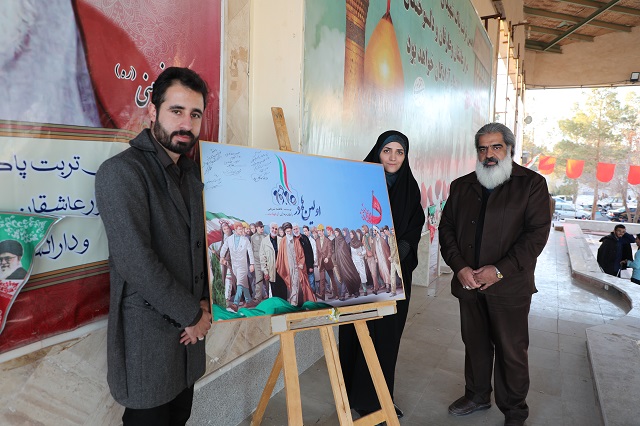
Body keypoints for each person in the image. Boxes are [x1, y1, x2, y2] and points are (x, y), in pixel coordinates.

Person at [95, 67, 212, 425]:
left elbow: (202, 246)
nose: (186, 124)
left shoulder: (192, 174)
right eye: (176, 111)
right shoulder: (122, 172)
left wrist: (206, 304)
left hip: (190, 342)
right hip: (149, 343)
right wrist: (192, 315)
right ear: (152, 111)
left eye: (195, 114)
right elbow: (136, 262)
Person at [438, 123, 551, 426]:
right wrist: (460, 267)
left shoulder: (531, 184)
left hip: (510, 287)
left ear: (509, 149)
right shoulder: (462, 186)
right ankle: (476, 396)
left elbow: (536, 236)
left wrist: (499, 271)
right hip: (469, 283)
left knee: (511, 351)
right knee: (474, 344)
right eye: (483, 148)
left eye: (496, 147)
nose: (489, 154)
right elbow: (446, 229)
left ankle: (514, 411)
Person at [339, 130, 424, 418]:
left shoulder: (410, 188)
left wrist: (402, 248)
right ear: (377, 152)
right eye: (387, 150)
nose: (393, 157)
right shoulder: (360, 183)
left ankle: (381, 400)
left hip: (395, 276)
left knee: (387, 338)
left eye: (399, 152)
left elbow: (415, 224)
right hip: (362, 273)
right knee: (358, 333)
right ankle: (356, 397)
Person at [276, 222, 316, 306]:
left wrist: (301, 263)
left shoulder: (296, 240)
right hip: (288, 267)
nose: (289, 233)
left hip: (297, 267)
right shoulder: (283, 241)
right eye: (287, 232)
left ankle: (293, 303)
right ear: (285, 232)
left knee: (295, 284)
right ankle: (298, 302)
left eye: (290, 231)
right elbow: (280, 256)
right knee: (292, 285)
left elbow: (301, 254)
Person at [220, 221, 255, 309]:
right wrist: (222, 257)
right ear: (235, 229)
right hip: (235, 266)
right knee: (244, 284)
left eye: (242, 229)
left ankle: (235, 304)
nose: (241, 231)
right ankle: (249, 301)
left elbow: (250, 252)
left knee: (240, 283)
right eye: (240, 229)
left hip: (243, 266)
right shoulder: (229, 239)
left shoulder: (245, 240)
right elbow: (224, 248)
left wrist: (252, 264)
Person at [332, 226, 361, 300]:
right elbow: (337, 251)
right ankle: (352, 292)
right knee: (345, 277)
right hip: (340, 262)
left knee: (348, 276)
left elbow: (344, 251)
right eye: (335, 232)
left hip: (346, 262)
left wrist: (341, 257)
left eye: (336, 232)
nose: (335, 234)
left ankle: (344, 295)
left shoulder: (342, 240)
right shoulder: (336, 240)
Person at [260, 222, 286, 300]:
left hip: (281, 270)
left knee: (283, 292)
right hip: (271, 271)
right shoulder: (264, 241)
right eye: (273, 228)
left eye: (276, 229)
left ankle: (284, 306)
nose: (274, 230)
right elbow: (262, 258)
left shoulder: (281, 240)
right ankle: (277, 307)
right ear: (270, 228)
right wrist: (265, 271)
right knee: (275, 293)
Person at [316, 223, 339, 300]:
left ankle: (336, 294)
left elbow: (330, 251)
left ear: (323, 231)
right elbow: (317, 253)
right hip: (321, 263)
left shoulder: (328, 240)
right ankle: (322, 295)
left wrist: (328, 258)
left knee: (332, 278)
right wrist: (318, 264)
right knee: (322, 279)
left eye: (320, 231)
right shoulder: (317, 241)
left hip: (328, 262)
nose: (319, 232)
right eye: (318, 231)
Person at [294, 223, 316, 296]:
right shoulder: (293, 240)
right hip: (300, 268)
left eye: (296, 229)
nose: (296, 230)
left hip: (308, 266)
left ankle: (313, 298)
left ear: (299, 229)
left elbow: (310, 252)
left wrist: (310, 266)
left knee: (311, 284)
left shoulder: (304, 238)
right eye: (294, 229)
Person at [349, 229, 368, 296]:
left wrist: (361, 253)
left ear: (354, 235)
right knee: (356, 276)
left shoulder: (359, 243)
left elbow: (364, 251)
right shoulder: (351, 243)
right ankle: (357, 291)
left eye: (351, 234)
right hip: (354, 262)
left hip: (360, 261)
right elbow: (351, 253)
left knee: (362, 275)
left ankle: (365, 290)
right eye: (350, 234)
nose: (350, 235)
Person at [385, 227, 403, 296]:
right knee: (392, 275)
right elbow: (391, 249)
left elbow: (396, 248)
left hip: (396, 258)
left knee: (400, 274)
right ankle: (393, 292)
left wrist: (391, 256)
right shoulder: (389, 237)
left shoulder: (394, 237)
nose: (392, 232)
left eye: (393, 231)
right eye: (392, 231)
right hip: (393, 259)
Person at [250, 221, 266, 301]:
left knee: (267, 279)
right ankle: (258, 297)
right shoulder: (253, 237)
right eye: (260, 227)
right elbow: (251, 250)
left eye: (263, 227)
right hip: (257, 261)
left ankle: (269, 296)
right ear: (256, 228)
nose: (262, 228)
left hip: (265, 261)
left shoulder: (266, 236)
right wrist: (252, 263)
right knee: (259, 279)